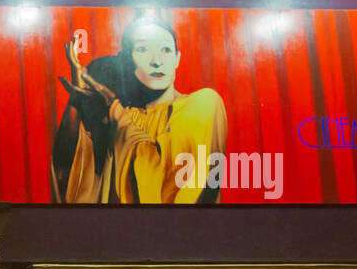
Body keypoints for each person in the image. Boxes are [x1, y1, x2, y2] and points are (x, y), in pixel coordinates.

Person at [53, 16, 228, 204]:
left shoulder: (204, 104)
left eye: (166, 50)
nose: (156, 61)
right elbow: (73, 179)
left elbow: (160, 179)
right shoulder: (121, 118)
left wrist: (113, 108)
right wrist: (78, 100)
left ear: (177, 58)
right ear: (127, 60)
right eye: (143, 49)